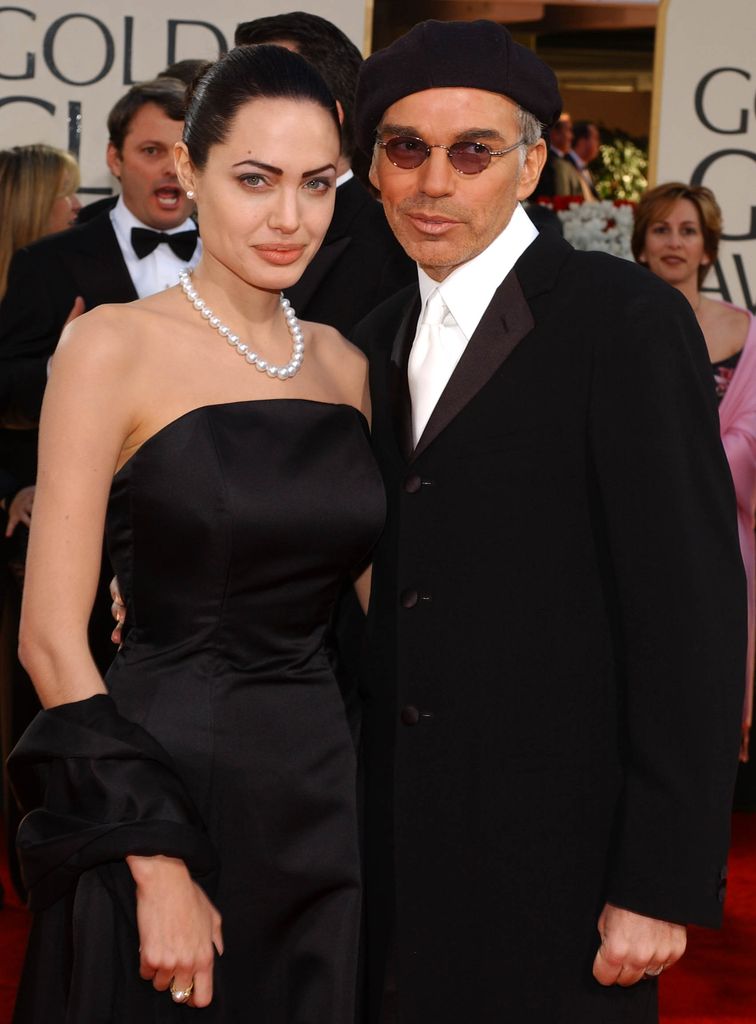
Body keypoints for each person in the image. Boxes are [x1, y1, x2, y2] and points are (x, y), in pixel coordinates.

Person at [350, 20, 745, 1023]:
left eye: (471, 150)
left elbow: (692, 611)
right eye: (407, 149)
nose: (435, 180)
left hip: (566, 860)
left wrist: (661, 877)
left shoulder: (623, 319)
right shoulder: (374, 334)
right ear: (375, 171)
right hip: (394, 856)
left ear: (530, 163)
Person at [9, 43, 384, 1023]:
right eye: (255, 180)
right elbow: (50, 637)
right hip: (161, 776)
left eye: (317, 183)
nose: (289, 217)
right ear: (192, 170)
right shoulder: (112, 346)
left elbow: (391, 606)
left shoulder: (348, 367)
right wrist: (155, 856)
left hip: (320, 801)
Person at [632, 181, 756, 761]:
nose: (674, 243)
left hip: (722, 541)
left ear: (709, 248)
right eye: (661, 230)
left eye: (688, 231)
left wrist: (678, 463)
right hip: (633, 537)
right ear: (641, 244)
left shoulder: (749, 334)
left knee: (708, 694)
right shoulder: (615, 329)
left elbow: (752, 434)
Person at [0, 76, 199, 428]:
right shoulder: (47, 262)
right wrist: (58, 366)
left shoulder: (239, 256)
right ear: (115, 159)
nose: (171, 167)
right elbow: (8, 388)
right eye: (151, 151)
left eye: (183, 151)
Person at [234, 11, 415, 335]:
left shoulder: (396, 252)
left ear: (328, 115)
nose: (232, 110)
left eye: (263, 93)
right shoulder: (214, 222)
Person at [568, 119, 601, 198]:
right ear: (582, 141)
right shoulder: (566, 164)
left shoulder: (586, 169)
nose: (599, 143)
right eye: (595, 138)